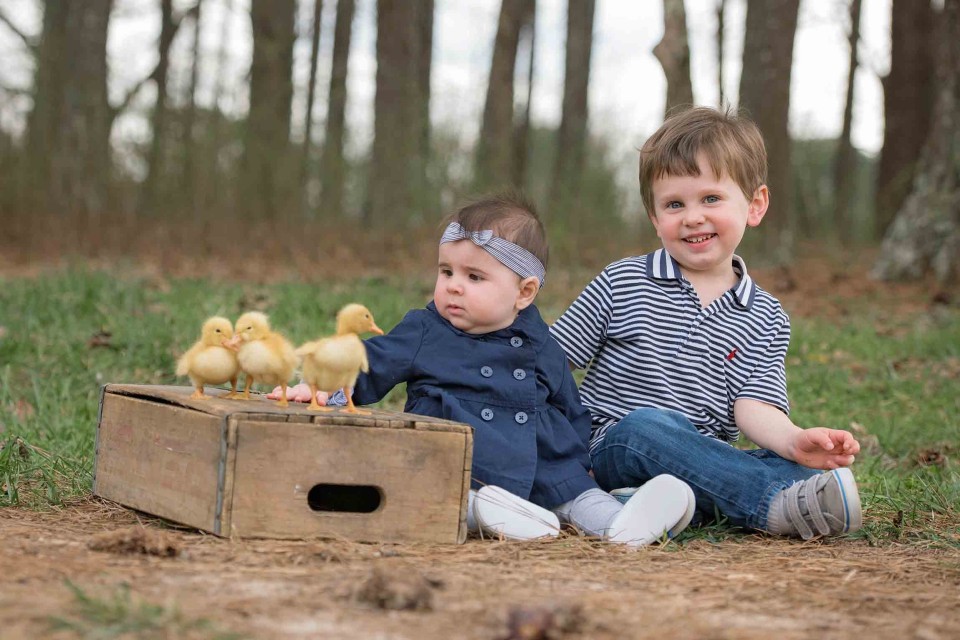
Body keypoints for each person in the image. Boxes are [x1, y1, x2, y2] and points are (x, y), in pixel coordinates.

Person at [275, 194, 694, 545]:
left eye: (475, 276)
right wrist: (320, 388)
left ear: (524, 292)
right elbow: (369, 364)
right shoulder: (425, 330)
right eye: (446, 271)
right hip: (461, 456)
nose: (453, 285)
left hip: (542, 460)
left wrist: (580, 461)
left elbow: (570, 406)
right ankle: (489, 515)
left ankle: (620, 524)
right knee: (446, 493)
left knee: (578, 495)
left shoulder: (541, 343)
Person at [549, 107, 863, 540]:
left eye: (710, 199)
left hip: (702, 457)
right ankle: (772, 506)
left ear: (754, 205)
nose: (692, 216)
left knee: (793, 463)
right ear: (656, 219)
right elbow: (551, 362)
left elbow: (754, 405)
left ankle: (654, 504)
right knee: (647, 429)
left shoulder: (766, 316)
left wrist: (793, 441)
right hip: (612, 445)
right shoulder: (623, 281)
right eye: (674, 204)